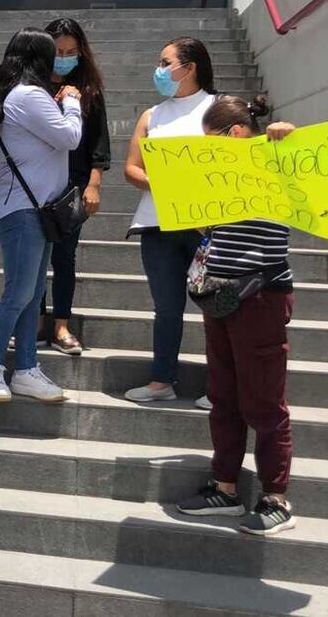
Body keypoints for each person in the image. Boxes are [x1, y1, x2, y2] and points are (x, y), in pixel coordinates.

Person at [176, 95, 297, 535]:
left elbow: (309, 170)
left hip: (261, 294)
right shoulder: (216, 176)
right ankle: (225, 488)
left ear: (238, 133)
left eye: (214, 140)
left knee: (263, 401)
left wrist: (282, 142)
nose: (209, 149)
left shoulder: (274, 161)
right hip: (220, 294)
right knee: (224, 397)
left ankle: (275, 498)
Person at [0, 27, 82, 403]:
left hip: (31, 207)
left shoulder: (14, 95)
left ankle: (25, 368)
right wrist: (72, 102)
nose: (60, 62)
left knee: (33, 292)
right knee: (20, 292)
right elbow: (70, 137)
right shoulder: (29, 95)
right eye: (54, 54)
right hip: (23, 208)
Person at [122, 36, 217, 404]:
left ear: (189, 67)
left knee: (216, 308)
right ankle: (162, 380)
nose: (160, 70)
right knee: (166, 307)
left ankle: (220, 387)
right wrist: (168, 184)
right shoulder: (152, 115)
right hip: (157, 225)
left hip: (205, 226)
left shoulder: (219, 108)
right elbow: (132, 169)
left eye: (166, 63)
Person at [38, 17, 110, 355]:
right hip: (34, 186)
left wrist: (93, 185)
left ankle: (61, 325)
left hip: (71, 188)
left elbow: (99, 144)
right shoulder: (32, 87)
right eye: (58, 51)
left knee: (65, 257)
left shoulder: (89, 92)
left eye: (71, 52)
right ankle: (34, 321)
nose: (64, 58)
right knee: (33, 258)